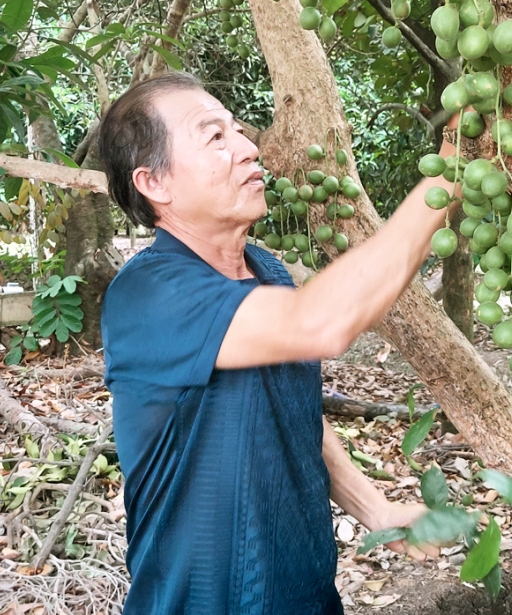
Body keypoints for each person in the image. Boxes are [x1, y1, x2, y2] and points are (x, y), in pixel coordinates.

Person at [98, 72, 461, 615]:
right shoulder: (148, 295)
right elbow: (324, 322)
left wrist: (376, 509)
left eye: (238, 130)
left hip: (305, 592)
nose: (248, 148)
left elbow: (292, 412)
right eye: (214, 137)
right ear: (155, 183)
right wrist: (452, 170)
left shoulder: (266, 269)